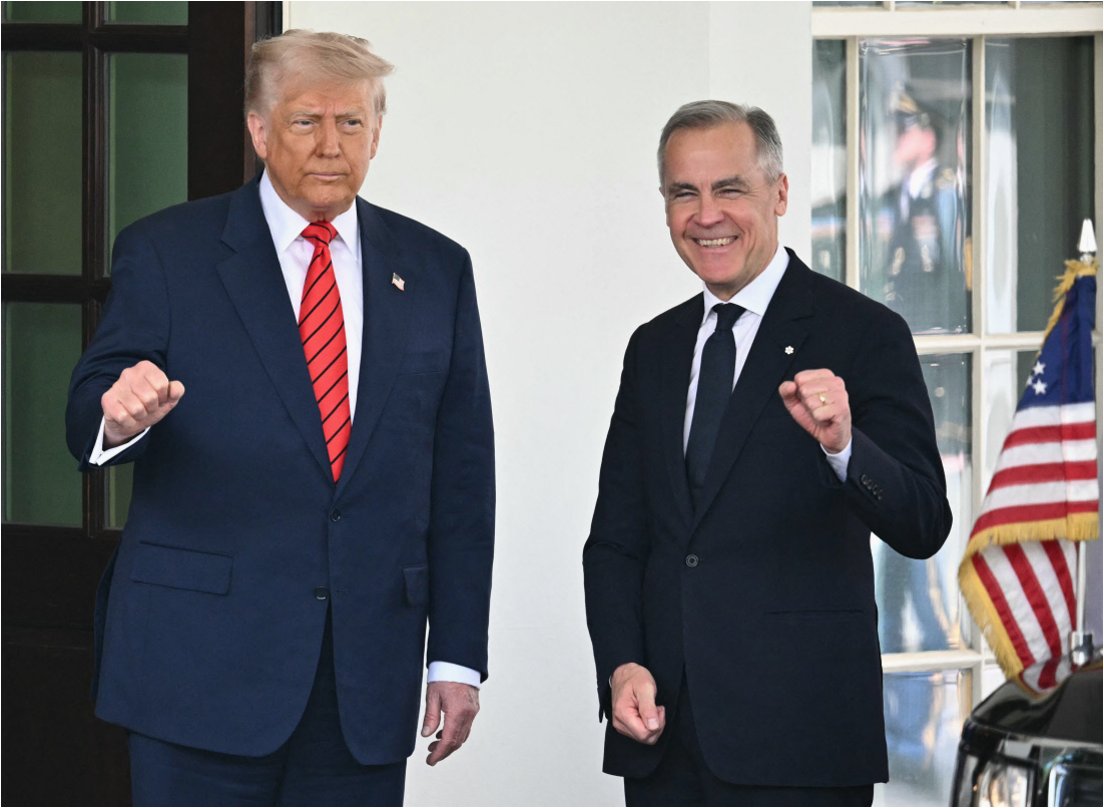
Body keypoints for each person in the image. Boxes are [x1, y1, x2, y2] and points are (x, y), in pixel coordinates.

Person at [66, 30, 494, 807]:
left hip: (363, 679)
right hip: (197, 672)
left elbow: (464, 477)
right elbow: (91, 406)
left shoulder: (436, 269)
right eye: (306, 122)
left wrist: (457, 658)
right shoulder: (168, 252)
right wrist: (118, 416)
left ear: (377, 132)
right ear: (260, 130)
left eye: (351, 122)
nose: (331, 145)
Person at [582, 100, 952, 807]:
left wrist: (845, 447)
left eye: (730, 188)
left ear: (779, 193)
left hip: (801, 745)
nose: (706, 215)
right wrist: (622, 664)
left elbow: (924, 523)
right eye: (684, 193)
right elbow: (616, 541)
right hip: (664, 745)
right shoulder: (653, 349)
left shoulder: (863, 333)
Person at [879, 88, 967, 334]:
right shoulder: (891, 197)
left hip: (936, 324)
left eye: (904, 130)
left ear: (928, 139)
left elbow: (955, 266)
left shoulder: (947, 193)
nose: (896, 138)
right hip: (895, 321)